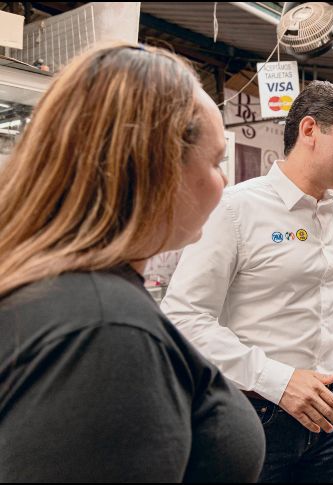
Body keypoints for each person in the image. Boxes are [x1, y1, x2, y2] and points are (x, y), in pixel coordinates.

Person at [0, 44, 264, 481]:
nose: (224, 183)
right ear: (158, 167)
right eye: (218, 161)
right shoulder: (106, 331)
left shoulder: (59, 289)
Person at [161, 80, 333, 483]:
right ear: (309, 131)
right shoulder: (236, 207)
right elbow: (183, 317)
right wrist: (279, 381)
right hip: (256, 414)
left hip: (327, 411)